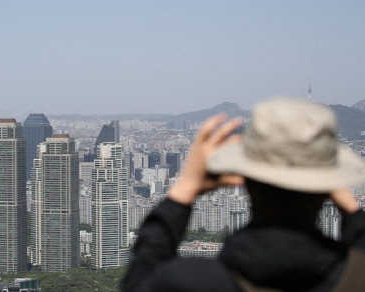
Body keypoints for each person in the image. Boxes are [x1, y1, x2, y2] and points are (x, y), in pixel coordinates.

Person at [122, 98, 365, 291]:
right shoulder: (357, 276)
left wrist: (183, 190)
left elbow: (140, 278)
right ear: (326, 188)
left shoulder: (189, 282)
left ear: (245, 179)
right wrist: (350, 206)